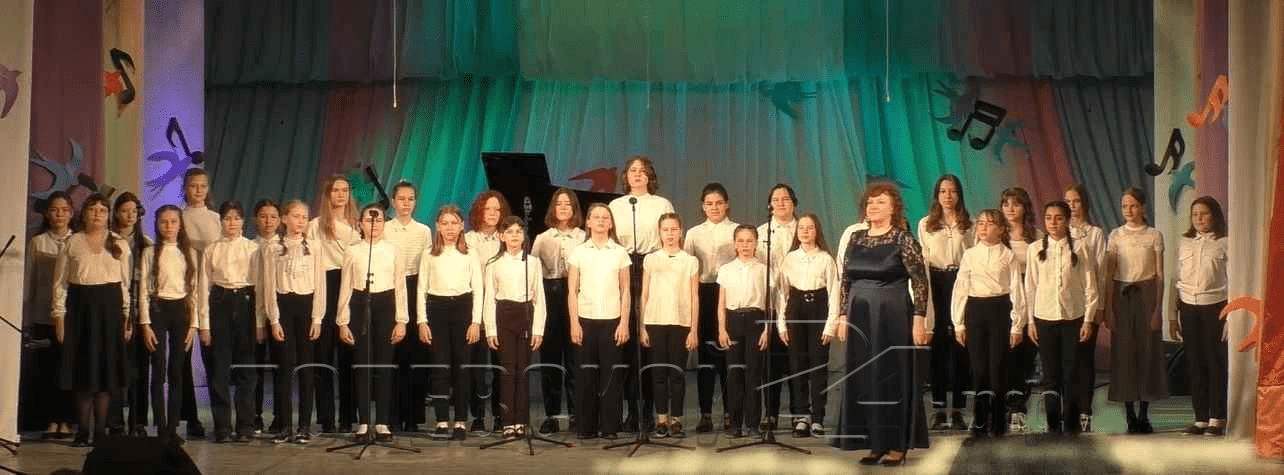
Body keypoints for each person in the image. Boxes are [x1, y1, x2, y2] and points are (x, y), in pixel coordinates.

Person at [830, 182, 931, 466]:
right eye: (870, 202)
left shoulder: (902, 239)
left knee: (891, 376)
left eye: (881, 202)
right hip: (859, 312)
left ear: (894, 208)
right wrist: (842, 315)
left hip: (892, 313)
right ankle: (874, 441)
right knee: (866, 377)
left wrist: (919, 319)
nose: (873, 206)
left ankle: (897, 443)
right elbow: (846, 279)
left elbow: (920, 282)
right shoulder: (856, 238)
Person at [53, 193, 133, 447]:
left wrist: (127, 316)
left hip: (109, 311)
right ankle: (82, 431)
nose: (97, 214)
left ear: (108, 215)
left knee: (105, 374)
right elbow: (60, 284)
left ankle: (100, 432)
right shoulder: (72, 242)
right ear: (84, 214)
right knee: (82, 373)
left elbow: (124, 285)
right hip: (80, 310)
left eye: (102, 210)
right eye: (92, 209)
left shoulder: (119, 243)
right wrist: (59, 318)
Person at [609, 156, 674, 432]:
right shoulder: (616, 206)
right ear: (625, 176)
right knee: (626, 346)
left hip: (652, 267)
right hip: (624, 266)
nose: (637, 174)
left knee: (649, 341)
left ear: (650, 176)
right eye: (632, 170)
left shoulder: (662, 204)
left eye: (642, 170)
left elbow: (669, 238)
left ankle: (650, 411)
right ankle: (631, 412)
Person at [1025, 201, 1099, 434]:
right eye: (1048, 218)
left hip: (1072, 317)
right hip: (1044, 317)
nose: (1053, 223)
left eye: (1058, 218)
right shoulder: (1035, 248)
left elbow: (1090, 285)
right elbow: (1030, 287)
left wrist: (1088, 319)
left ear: (1067, 220)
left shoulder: (1081, 247)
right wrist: (1030, 321)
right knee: (1050, 374)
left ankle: (1072, 422)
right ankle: (1052, 423)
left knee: (1071, 372)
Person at [951, 209, 1025, 437]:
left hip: (999, 310)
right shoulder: (970, 255)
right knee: (979, 367)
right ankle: (981, 418)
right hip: (976, 311)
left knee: (998, 367)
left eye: (990, 224)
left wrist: (1017, 325)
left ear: (1001, 229)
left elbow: (1016, 289)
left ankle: (999, 418)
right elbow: (961, 288)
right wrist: (959, 323)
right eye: (980, 223)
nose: (983, 227)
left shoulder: (1008, 256)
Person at [337, 204, 408, 441]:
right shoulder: (353, 251)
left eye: (378, 220)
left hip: (386, 305)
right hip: (360, 304)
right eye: (369, 220)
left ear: (384, 224)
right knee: (362, 366)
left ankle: (382, 423)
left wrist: (401, 320)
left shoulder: (394, 251)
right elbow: (345, 287)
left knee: (384, 366)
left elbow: (400, 287)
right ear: (360, 224)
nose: (374, 224)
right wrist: (343, 321)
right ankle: (364, 422)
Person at [262, 200, 326, 444]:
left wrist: (317, 318)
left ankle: (304, 426)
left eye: (304, 217)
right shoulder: (273, 248)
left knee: (306, 369)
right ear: (285, 218)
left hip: (306, 306)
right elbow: (269, 286)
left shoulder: (315, 247)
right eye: (296, 216)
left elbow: (320, 285)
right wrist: (274, 319)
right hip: (284, 307)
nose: (300, 221)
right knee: (284, 368)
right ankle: (285, 425)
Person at [417, 205, 483, 440]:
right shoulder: (429, 254)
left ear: (462, 226)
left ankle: (461, 421)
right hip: (437, 309)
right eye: (445, 223)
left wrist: (476, 322)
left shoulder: (470, 253)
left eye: (454, 223)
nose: (450, 228)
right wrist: (422, 321)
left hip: (463, 308)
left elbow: (478, 289)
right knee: (440, 368)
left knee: (462, 369)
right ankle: (442, 420)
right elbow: (421, 289)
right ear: (437, 226)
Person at [1104, 187, 1167, 433]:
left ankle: (1144, 414)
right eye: (1124, 206)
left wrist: (1158, 309)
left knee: (1148, 352)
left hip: (1147, 293)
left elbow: (1160, 275)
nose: (1128, 210)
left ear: (1142, 207)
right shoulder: (1116, 236)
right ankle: (1129, 413)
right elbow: (1109, 275)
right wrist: (1108, 308)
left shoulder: (1153, 235)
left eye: (1133, 205)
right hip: (1122, 295)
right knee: (1124, 354)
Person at [567, 203, 631, 440]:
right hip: (585, 320)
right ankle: (586, 427)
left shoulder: (620, 253)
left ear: (611, 223)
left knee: (611, 377)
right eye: (596, 217)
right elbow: (572, 291)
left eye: (605, 217)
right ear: (588, 222)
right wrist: (574, 323)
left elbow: (626, 291)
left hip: (612, 321)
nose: (601, 221)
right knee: (586, 376)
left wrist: (624, 323)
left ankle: (610, 427)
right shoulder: (579, 252)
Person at [198, 201, 261, 442]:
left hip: (245, 303)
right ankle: (222, 427)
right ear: (221, 221)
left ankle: (245, 426)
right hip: (220, 303)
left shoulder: (252, 248)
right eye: (227, 218)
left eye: (236, 218)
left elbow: (260, 286)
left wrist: (260, 322)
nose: (232, 223)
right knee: (219, 370)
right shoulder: (211, 249)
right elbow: (203, 288)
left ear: (243, 221)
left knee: (246, 369)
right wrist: (204, 325)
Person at [139, 205, 199, 444]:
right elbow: (143, 291)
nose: (169, 226)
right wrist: (145, 324)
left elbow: (194, 291)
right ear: (157, 224)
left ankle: (173, 426)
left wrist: (194, 324)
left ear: (180, 224)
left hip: (181, 312)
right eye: (164, 222)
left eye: (173, 221)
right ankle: (161, 426)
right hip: (158, 311)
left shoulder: (189, 252)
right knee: (158, 369)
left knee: (177, 371)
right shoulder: (149, 252)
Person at [482, 216, 547, 439]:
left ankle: (522, 421)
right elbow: (489, 299)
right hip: (504, 315)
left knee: (523, 371)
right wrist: (490, 329)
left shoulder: (532, 262)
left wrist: (538, 329)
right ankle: (507, 422)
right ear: (501, 236)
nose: (514, 235)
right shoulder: (494, 263)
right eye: (509, 231)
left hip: (525, 314)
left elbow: (539, 298)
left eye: (519, 231)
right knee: (507, 370)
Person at [918, 174, 974, 430]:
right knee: (938, 345)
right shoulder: (926, 224)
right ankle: (939, 409)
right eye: (943, 191)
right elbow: (923, 258)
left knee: (961, 345)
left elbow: (973, 256)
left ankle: (959, 409)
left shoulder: (969, 224)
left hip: (960, 281)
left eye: (952, 191)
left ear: (959, 194)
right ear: (937, 195)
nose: (948, 196)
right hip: (936, 282)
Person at [309, 174, 362, 433]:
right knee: (323, 356)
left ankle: (348, 417)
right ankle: (327, 418)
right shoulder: (315, 225)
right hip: (324, 286)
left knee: (349, 356)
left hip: (350, 286)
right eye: (336, 190)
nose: (341, 195)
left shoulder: (358, 225)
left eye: (345, 190)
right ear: (328, 194)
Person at [683, 183, 737, 433]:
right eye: (709, 204)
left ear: (727, 204)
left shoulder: (736, 230)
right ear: (703, 207)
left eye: (718, 203)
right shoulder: (694, 233)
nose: (714, 207)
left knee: (727, 356)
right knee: (705, 358)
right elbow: (687, 267)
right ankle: (705, 413)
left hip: (729, 293)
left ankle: (729, 412)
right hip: (703, 294)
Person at [530, 188, 585, 434]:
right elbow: (533, 272)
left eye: (567, 204)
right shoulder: (543, 238)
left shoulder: (584, 237)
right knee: (550, 360)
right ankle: (551, 415)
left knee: (575, 358)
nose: (563, 207)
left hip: (576, 296)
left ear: (574, 208)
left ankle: (575, 414)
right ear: (553, 208)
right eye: (559, 203)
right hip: (549, 295)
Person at [776, 213, 836, 438]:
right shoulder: (789, 259)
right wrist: (782, 325)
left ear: (817, 231)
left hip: (818, 309)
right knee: (797, 364)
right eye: (801, 227)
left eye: (810, 227)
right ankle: (802, 416)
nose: (805, 231)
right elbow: (781, 294)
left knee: (818, 365)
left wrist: (830, 324)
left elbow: (834, 292)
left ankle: (818, 417)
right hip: (796, 309)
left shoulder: (825, 259)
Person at [639, 212, 698, 438]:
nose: (670, 234)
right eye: (666, 230)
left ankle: (677, 420)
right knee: (659, 374)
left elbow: (694, 297)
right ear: (660, 233)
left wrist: (693, 329)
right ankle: (661, 419)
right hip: (655, 321)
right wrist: (642, 326)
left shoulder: (690, 261)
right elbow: (644, 293)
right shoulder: (651, 259)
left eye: (674, 229)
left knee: (677, 374)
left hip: (681, 322)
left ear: (681, 231)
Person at [1174, 196, 1229, 436]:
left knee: (1214, 362)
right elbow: (1175, 279)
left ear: (1214, 216)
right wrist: (1171, 314)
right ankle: (1201, 419)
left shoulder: (1225, 243)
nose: (1199, 218)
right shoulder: (1185, 242)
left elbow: (1233, 280)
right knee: (1194, 363)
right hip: (1188, 307)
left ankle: (1217, 418)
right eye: (1195, 214)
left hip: (1215, 308)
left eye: (1203, 214)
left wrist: (1230, 316)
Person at [23, 192, 76, 439]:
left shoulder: (77, 241)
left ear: (72, 213)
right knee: (46, 369)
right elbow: (29, 282)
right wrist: (28, 316)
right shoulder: (38, 242)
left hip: (70, 317)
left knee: (67, 369)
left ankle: (66, 420)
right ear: (47, 214)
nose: (59, 214)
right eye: (55, 209)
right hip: (43, 315)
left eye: (64, 210)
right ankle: (50, 421)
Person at [382, 182, 432, 432]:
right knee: (393, 354)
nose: (406, 203)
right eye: (401, 198)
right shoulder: (384, 229)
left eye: (410, 199)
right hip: (389, 288)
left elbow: (427, 265)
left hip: (415, 287)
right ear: (393, 201)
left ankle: (413, 417)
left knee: (416, 354)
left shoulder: (423, 231)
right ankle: (392, 415)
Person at [717, 224, 769, 438]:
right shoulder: (726, 269)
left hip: (756, 320)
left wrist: (767, 329)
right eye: (741, 241)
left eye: (749, 241)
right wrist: (722, 329)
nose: (745, 245)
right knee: (734, 374)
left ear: (756, 243)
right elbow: (721, 304)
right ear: (735, 244)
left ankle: (753, 423)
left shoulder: (764, 269)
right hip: (733, 321)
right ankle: (735, 423)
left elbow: (770, 303)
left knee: (754, 375)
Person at [464, 190, 510, 433]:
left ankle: (501, 416)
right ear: (479, 211)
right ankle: (478, 416)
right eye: (488, 209)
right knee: (477, 368)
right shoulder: (468, 239)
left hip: (502, 307)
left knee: (501, 366)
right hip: (475, 307)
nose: (492, 213)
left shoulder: (507, 238)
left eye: (497, 209)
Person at [1063, 183, 1106, 432]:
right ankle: (1067, 410)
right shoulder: (1058, 232)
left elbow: (1100, 272)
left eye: (1076, 201)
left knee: (1085, 360)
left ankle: (1085, 411)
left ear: (1084, 203)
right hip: (1064, 307)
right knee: (1068, 360)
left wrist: (1099, 306)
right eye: (1067, 201)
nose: (1071, 206)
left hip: (1088, 304)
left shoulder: (1095, 233)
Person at [756, 183, 798, 432]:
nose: (781, 203)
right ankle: (770, 413)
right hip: (771, 302)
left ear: (794, 203)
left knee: (796, 361)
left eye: (786, 199)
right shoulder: (762, 232)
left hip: (797, 301)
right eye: (776, 199)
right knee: (770, 362)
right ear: (770, 205)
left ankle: (798, 413)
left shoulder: (803, 228)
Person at [179, 169, 217, 439]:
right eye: (194, 185)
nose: (199, 190)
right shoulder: (179, 217)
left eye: (203, 185)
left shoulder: (215, 218)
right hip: (184, 291)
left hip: (211, 292)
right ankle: (190, 418)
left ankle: (220, 418)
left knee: (213, 358)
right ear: (186, 188)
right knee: (182, 358)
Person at [1000, 187, 1040, 433]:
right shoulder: (997, 234)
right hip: (1003, 298)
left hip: (1031, 296)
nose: (1010, 209)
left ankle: (1019, 408)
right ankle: (1006, 406)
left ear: (1025, 207)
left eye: (1015, 204)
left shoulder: (1037, 236)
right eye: (1006, 204)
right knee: (1005, 357)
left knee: (1025, 356)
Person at [111, 192, 151, 436]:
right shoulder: (109, 240)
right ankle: (115, 421)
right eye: (125, 211)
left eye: (134, 211)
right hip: (114, 306)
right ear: (116, 212)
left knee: (140, 368)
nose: (129, 215)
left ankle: (138, 420)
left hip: (140, 308)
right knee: (115, 366)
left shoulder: (145, 243)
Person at [250, 199, 281, 434]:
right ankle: (254, 415)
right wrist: (259, 320)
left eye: (272, 216)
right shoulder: (249, 248)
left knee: (281, 366)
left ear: (280, 221)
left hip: (281, 313)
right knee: (255, 367)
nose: (268, 221)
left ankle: (281, 417)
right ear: (255, 220)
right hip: (254, 313)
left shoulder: (285, 248)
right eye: (263, 216)